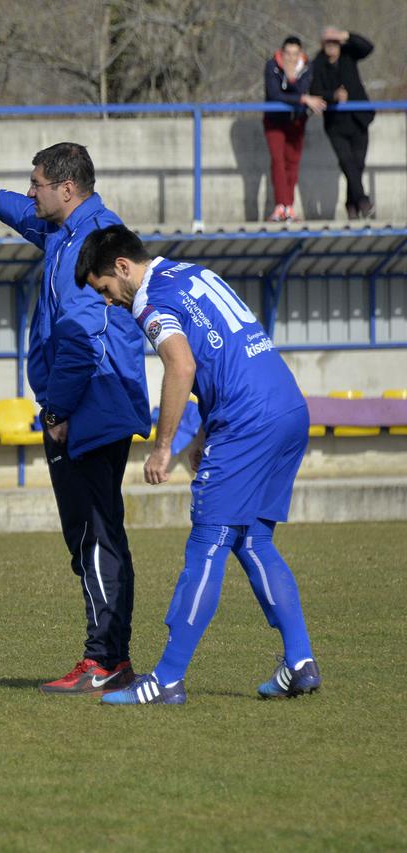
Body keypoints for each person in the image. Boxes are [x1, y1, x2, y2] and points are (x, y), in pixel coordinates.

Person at [75, 225, 321, 705]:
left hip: (247, 420)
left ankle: (166, 679)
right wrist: (207, 432)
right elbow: (225, 352)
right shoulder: (191, 273)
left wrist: (163, 445)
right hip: (287, 408)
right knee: (254, 539)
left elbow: (182, 365)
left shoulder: (148, 299)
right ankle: (300, 661)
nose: (109, 301)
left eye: (105, 289)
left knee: (207, 542)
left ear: (122, 268)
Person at [0, 143, 150, 695]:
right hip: (86, 405)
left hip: (87, 408)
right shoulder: (68, 228)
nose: (31, 192)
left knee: (95, 535)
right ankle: (109, 656)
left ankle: (105, 661)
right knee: (91, 535)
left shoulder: (92, 243)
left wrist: (58, 411)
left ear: (66, 189)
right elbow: (32, 217)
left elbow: (79, 341)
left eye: (36, 183)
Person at [312, 27, 375, 220]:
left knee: (358, 164)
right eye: (328, 42)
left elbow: (367, 47)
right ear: (323, 45)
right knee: (347, 162)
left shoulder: (349, 56)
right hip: (336, 124)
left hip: (358, 120)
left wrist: (345, 35)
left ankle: (351, 204)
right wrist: (333, 96)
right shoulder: (318, 64)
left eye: (335, 42)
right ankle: (363, 200)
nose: (332, 46)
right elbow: (314, 90)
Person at [263, 36, 326, 222]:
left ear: (301, 54)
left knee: (292, 162)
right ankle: (280, 206)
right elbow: (275, 94)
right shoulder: (272, 66)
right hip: (274, 121)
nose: (291, 58)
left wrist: (294, 84)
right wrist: (303, 99)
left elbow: (302, 88)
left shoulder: (306, 67)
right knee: (277, 160)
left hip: (297, 121)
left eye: (295, 54)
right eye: (287, 54)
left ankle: (288, 207)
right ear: (282, 53)